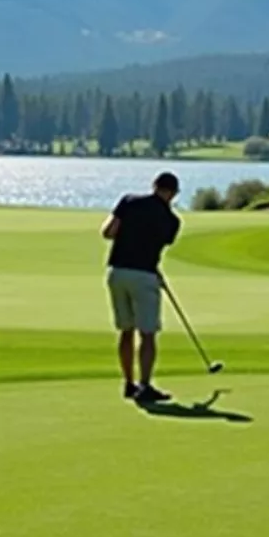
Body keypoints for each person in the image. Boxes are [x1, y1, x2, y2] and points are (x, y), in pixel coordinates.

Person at [101, 171, 181, 404]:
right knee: (147, 334)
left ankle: (128, 383)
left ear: (154, 185)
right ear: (173, 194)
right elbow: (155, 245)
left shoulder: (129, 201)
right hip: (145, 276)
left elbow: (108, 232)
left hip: (117, 272)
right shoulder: (173, 221)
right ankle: (144, 386)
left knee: (126, 330)